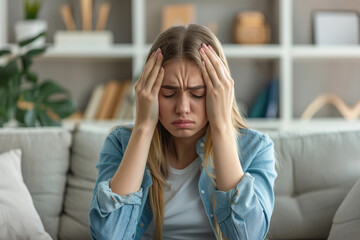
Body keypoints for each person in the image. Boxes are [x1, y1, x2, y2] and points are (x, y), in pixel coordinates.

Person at [88, 23, 277, 240]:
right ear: (150, 92)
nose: (182, 108)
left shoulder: (256, 148)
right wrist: (143, 127)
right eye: (169, 93)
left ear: (220, 92)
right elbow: (107, 236)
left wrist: (222, 125)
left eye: (197, 94)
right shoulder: (120, 143)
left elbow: (249, 236)